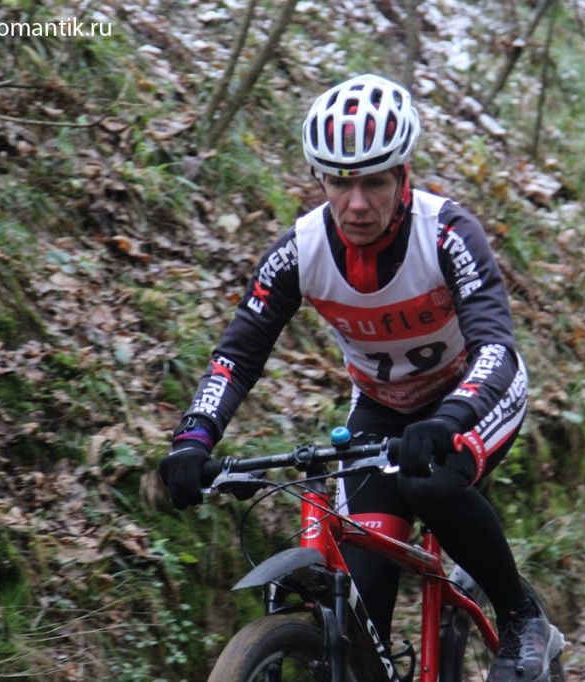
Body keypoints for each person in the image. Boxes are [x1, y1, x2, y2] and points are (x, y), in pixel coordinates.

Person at [158, 74, 562, 682]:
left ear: (403, 176)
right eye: (339, 183)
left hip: (474, 396)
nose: (357, 204)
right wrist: (194, 439)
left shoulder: (446, 233)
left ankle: (522, 617)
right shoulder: (299, 251)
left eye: (374, 182)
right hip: (380, 407)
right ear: (318, 180)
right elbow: (236, 356)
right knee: (359, 617)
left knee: (430, 483)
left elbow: (495, 349)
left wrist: (450, 420)